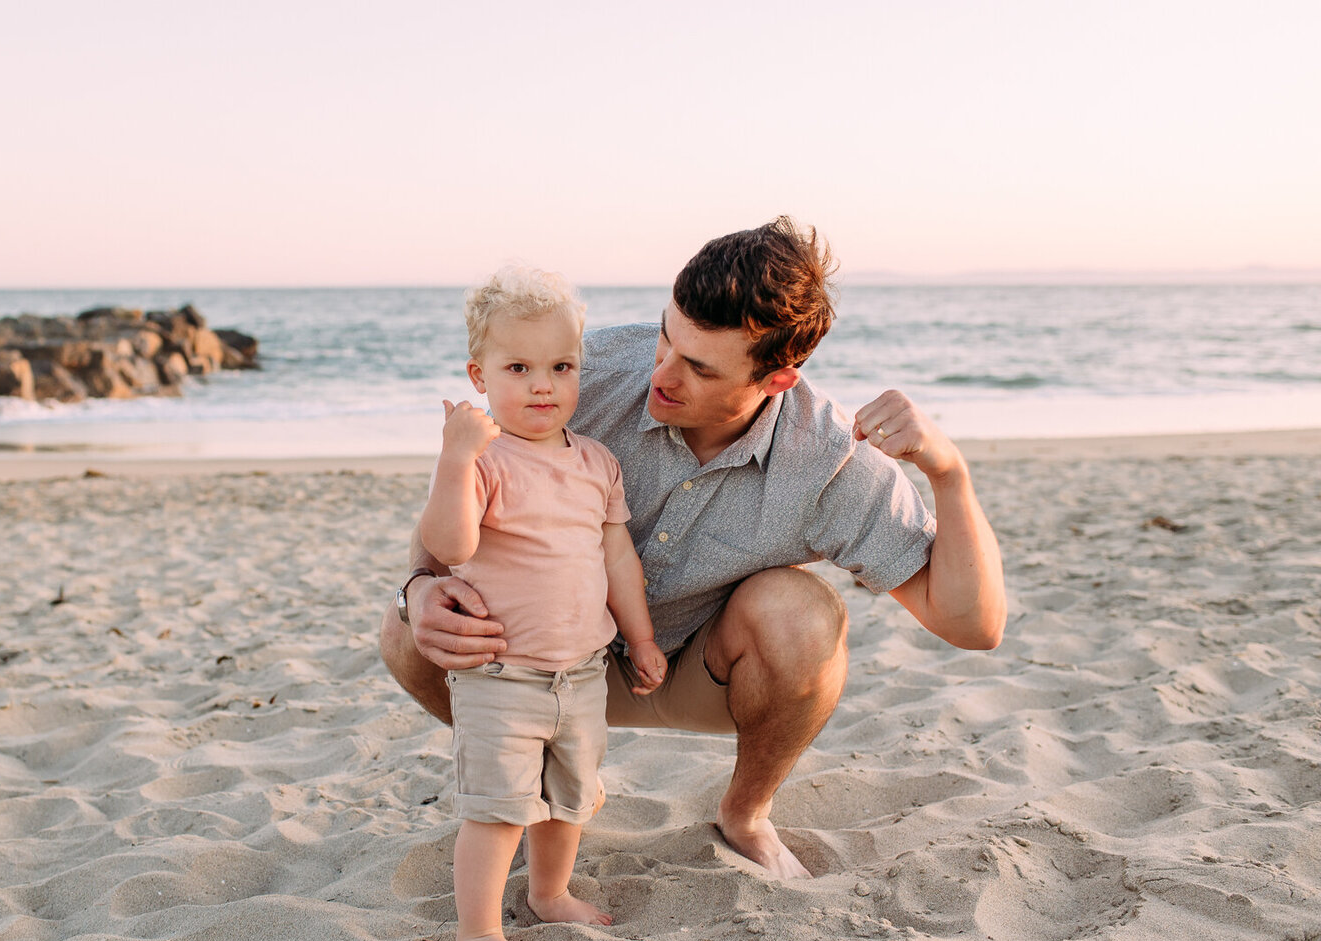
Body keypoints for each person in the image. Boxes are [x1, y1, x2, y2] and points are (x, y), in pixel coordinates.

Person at [382, 217, 1006, 882]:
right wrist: (418, 585)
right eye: (665, 336)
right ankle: (525, 777)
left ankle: (744, 814)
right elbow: (465, 489)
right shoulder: (578, 371)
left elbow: (974, 624)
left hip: (696, 670)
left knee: (802, 615)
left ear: (777, 381)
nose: (662, 373)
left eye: (699, 367)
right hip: (542, 651)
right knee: (405, 632)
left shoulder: (827, 458)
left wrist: (947, 471)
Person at [422, 265, 667, 941]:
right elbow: (451, 544)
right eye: (519, 367)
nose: (543, 385)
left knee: (571, 800)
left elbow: (617, 558)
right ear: (480, 375)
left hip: (583, 671)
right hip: (501, 674)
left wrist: (642, 638)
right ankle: (476, 930)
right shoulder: (484, 459)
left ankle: (549, 893)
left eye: (561, 366)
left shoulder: (596, 461)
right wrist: (455, 454)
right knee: (498, 808)